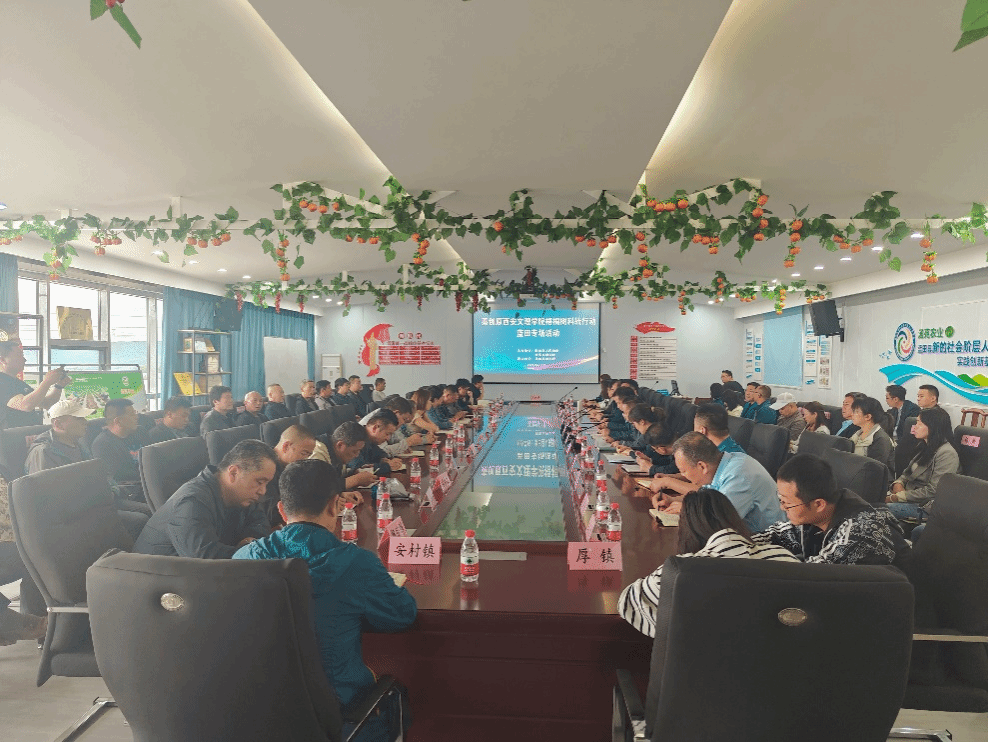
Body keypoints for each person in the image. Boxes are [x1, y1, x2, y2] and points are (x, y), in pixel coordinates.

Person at [233, 460, 416, 740]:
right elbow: (403, 615)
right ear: (335, 506)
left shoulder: (242, 559)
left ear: (281, 509)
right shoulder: (358, 564)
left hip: (262, 718)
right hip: (341, 719)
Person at [618, 488, 798, 637]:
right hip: (771, 666)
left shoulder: (680, 571)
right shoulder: (784, 559)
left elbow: (628, 600)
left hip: (701, 668)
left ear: (686, 530)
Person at [754, 454, 911, 566]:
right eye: (781, 500)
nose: (782, 507)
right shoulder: (817, 515)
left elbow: (808, 577)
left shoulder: (860, 532)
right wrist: (743, 540)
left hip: (897, 599)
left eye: (787, 503)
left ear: (819, 504)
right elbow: (777, 535)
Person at [133, 439, 276, 558]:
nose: (263, 491)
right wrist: (248, 549)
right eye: (259, 482)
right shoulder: (191, 502)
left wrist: (248, 544)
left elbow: (261, 526)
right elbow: (206, 561)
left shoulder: (243, 496)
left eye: (266, 484)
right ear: (233, 473)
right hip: (159, 577)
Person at [646, 432, 784, 532]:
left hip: (767, 543)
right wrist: (673, 500)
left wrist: (686, 510)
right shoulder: (723, 463)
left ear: (702, 466)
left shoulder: (739, 476)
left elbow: (718, 522)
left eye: (684, 471)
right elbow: (708, 495)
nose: (682, 475)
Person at [885, 407, 960, 522]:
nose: (915, 427)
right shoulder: (924, 445)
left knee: (881, 510)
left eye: (919, 423)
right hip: (908, 496)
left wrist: (898, 497)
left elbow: (934, 490)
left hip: (925, 506)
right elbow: (907, 473)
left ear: (933, 426)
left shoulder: (947, 453)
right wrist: (898, 483)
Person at [0, 339, 71, 430]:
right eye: (19, 355)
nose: (24, 359)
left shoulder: (19, 383)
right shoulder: (2, 381)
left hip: (29, 434)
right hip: (13, 437)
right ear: (3, 360)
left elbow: (47, 403)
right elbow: (25, 405)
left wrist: (58, 386)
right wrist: (46, 382)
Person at [260, 424, 317, 527]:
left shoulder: (290, 466)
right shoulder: (265, 469)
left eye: (309, 455)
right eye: (304, 453)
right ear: (286, 446)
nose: (306, 459)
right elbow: (271, 513)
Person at [91, 398, 148, 489]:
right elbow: (119, 478)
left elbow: (153, 456)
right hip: (133, 489)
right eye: (132, 414)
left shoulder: (141, 432)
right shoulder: (101, 444)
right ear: (118, 421)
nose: (137, 417)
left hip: (151, 480)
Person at [24, 398, 91, 473]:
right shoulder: (43, 452)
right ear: (58, 424)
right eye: (79, 418)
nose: (85, 422)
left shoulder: (79, 442)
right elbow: (42, 480)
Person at [346, 410, 402, 477]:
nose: (388, 438)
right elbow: (359, 469)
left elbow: (380, 453)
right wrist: (387, 466)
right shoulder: (355, 438)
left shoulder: (370, 439)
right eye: (387, 434)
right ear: (375, 428)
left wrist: (384, 460)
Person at [848, 395, 895, 472]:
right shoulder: (858, 434)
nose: (851, 414)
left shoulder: (881, 439)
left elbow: (874, 469)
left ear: (868, 416)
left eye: (856, 412)